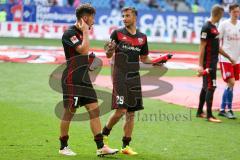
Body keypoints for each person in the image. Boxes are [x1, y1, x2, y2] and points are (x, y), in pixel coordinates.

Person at [59, 4, 118, 156]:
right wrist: (85, 31)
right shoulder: (70, 34)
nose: (94, 21)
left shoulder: (80, 33)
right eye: (92, 17)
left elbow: (84, 54)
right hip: (72, 79)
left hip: (84, 78)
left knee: (94, 109)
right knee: (69, 112)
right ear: (85, 18)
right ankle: (63, 146)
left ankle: (101, 147)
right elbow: (83, 50)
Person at [102, 7, 156, 155]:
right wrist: (110, 50)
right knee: (120, 111)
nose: (124, 18)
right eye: (123, 16)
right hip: (120, 76)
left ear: (135, 17)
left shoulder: (142, 37)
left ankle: (125, 146)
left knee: (131, 113)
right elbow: (108, 55)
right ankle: (104, 134)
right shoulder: (117, 33)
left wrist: (156, 61)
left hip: (134, 78)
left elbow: (144, 58)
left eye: (127, 16)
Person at [196, 4, 235, 123]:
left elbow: (217, 47)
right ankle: (209, 115)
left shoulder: (214, 27)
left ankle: (199, 112)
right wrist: (200, 65)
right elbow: (202, 47)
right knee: (211, 87)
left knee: (205, 87)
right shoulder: (206, 27)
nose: (221, 17)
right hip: (208, 63)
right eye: (221, 15)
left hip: (212, 61)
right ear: (217, 14)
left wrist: (229, 57)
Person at [218, 4, 240, 119]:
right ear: (230, 12)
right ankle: (230, 109)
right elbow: (216, 42)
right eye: (235, 12)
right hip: (226, 59)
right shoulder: (224, 25)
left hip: (237, 60)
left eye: (238, 12)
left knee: (230, 85)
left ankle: (222, 109)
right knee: (231, 82)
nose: (237, 14)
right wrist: (226, 56)